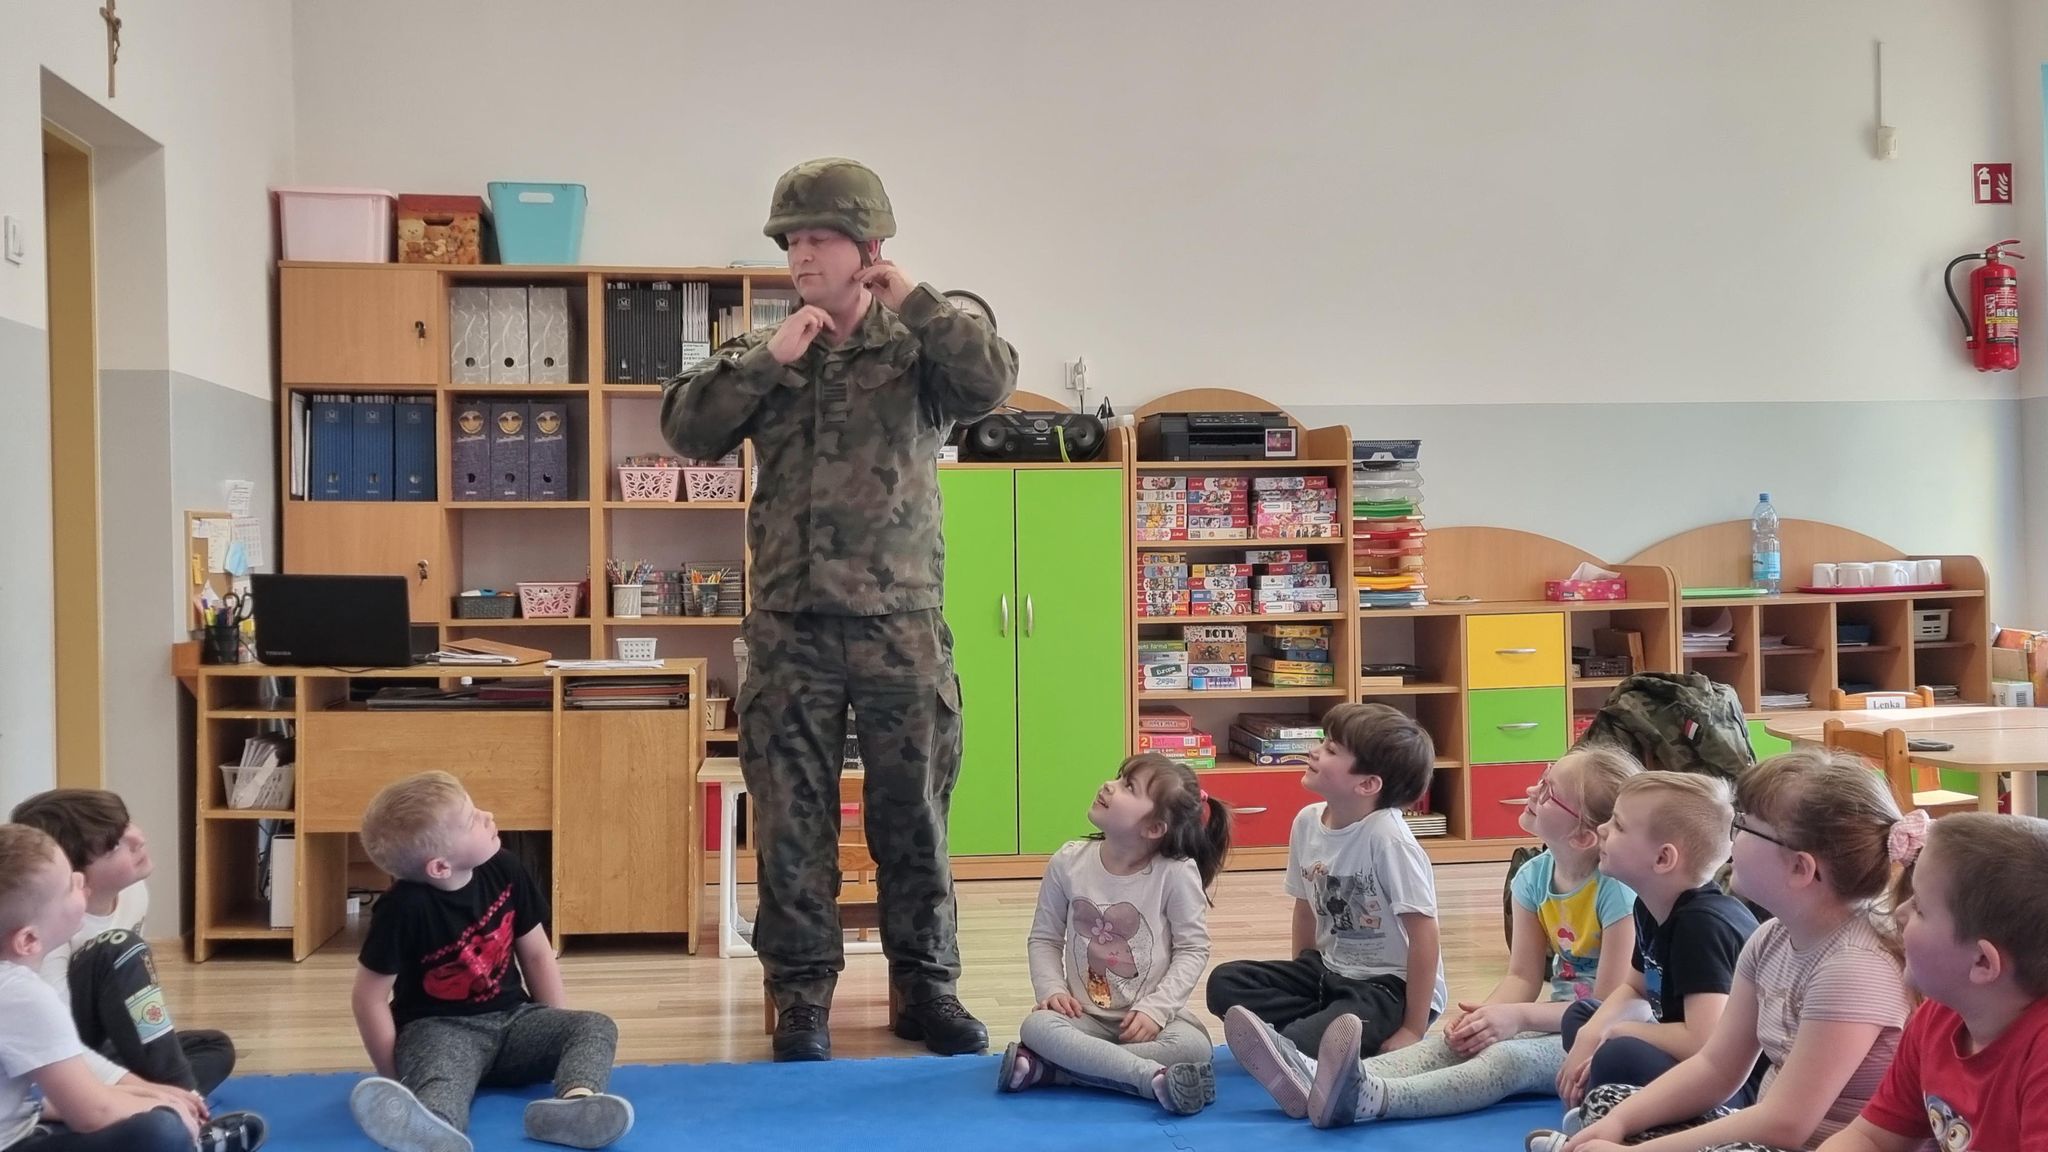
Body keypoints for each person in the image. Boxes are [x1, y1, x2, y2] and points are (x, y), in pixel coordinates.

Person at [662, 157, 1017, 1062]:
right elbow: (687, 430)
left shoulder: (921, 348)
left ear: (869, 245)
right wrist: (765, 362)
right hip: (790, 629)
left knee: (914, 817)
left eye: (818, 237)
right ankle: (802, 997)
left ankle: (926, 990)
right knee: (792, 822)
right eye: (790, 240)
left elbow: (992, 384)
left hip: (901, 624)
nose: (800, 254)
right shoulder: (768, 350)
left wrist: (919, 302)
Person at [1239, 746, 1641, 1128]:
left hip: (1612, 1034)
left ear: (1583, 836)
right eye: (1543, 777)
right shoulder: (1531, 877)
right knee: (1455, 1043)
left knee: (1505, 1061)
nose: (1532, 790)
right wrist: (1484, 1018)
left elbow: (1606, 1006)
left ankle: (1372, 1099)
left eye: (1549, 792)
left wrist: (1518, 1017)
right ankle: (1313, 1076)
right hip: (1563, 1019)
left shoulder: (1618, 892)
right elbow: (1522, 976)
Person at [1536, 749, 1916, 1152]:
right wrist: (1620, 1122)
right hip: (1769, 1136)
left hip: (1799, 1143)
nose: (1731, 839)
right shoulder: (1769, 939)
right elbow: (1715, 1067)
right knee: (1610, 1102)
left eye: (1745, 826)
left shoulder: (1853, 967)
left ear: (1800, 868)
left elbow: (1785, 1124)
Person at [348, 773, 631, 1152]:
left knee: (595, 1026)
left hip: (514, 1021)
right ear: (440, 867)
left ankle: (574, 1105)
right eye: (471, 820)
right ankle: (431, 1129)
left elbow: (537, 955)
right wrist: (394, 1078)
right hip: (440, 1031)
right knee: (440, 1080)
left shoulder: (504, 869)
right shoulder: (402, 909)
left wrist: (551, 1029)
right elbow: (368, 998)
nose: (488, 815)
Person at [1205, 703, 1447, 1070]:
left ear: (1367, 784)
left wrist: (1412, 1030)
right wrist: (1303, 975)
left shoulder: (1389, 839)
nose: (1315, 751)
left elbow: (1424, 934)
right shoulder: (1307, 822)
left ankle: (1305, 1040)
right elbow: (1305, 909)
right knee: (1225, 983)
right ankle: (1309, 1034)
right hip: (1330, 973)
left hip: (1388, 989)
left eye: (1331, 749)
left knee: (1302, 1041)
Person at [0, 823, 266, 1151]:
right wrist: (165, 1107)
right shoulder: (23, 996)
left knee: (194, 1066)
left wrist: (147, 1093)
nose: (81, 881)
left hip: (29, 1119)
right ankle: (192, 1141)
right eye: (69, 887)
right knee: (161, 1131)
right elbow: (93, 1113)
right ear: (28, 939)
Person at [999, 754, 1231, 1114]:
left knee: (1195, 1047)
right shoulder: (1068, 862)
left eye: (1129, 787)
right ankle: (1148, 1078)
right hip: (1082, 1017)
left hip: (1147, 1023)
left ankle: (1058, 1072)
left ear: (1153, 828)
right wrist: (1052, 990)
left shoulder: (1176, 873)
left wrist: (1156, 1010)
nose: (1110, 785)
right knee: (1036, 1027)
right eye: (1119, 778)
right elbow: (1045, 938)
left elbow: (1193, 949)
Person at [1816, 812, 2048, 1151]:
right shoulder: (1938, 1018)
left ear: (1982, 962)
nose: (1900, 913)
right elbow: (1871, 1139)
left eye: (1920, 908)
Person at [1557, 771, 1762, 1108]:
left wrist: (1621, 1031)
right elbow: (1635, 988)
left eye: (1618, 825)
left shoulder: (1702, 926)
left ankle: (1607, 1112)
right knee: (1582, 1018)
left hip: (1731, 1088)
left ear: (1663, 859)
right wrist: (1593, 1032)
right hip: (1690, 1059)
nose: (1602, 829)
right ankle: (1602, 1105)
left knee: (1619, 1050)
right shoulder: (1650, 905)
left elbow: (1704, 1041)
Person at [11, 790, 236, 1094]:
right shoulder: (53, 930)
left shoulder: (133, 892)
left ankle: (159, 1098)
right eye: (114, 844)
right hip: (64, 1055)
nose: (138, 838)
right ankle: (181, 1100)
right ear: (75, 875)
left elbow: (130, 996)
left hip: (103, 1044)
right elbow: (57, 1040)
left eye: (127, 824)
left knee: (215, 1047)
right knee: (118, 947)